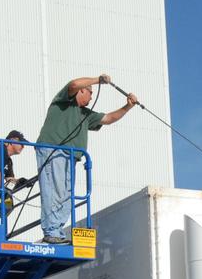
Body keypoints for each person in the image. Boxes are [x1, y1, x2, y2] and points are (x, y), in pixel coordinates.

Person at [35, 73, 138, 244]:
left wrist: (127, 107)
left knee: (66, 194)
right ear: (83, 91)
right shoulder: (64, 102)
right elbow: (73, 84)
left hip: (70, 156)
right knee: (55, 192)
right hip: (54, 150)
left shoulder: (85, 114)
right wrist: (98, 80)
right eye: (90, 93)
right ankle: (51, 230)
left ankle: (56, 231)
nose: (92, 97)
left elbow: (109, 118)